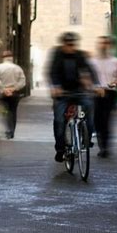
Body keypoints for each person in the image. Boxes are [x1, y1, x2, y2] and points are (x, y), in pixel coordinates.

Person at [48, 32, 102, 162]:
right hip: (62, 92)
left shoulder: (79, 55)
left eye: (72, 44)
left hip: (78, 90)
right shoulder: (57, 55)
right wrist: (55, 87)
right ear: (63, 44)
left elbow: (89, 70)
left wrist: (96, 85)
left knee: (89, 107)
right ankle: (60, 149)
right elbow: (52, 72)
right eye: (68, 44)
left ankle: (86, 139)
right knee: (59, 120)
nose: (70, 47)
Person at [89, 36, 117, 158]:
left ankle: (105, 147)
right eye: (101, 44)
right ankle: (101, 144)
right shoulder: (92, 62)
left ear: (109, 46)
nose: (103, 46)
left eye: (106, 44)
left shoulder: (115, 61)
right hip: (96, 93)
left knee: (106, 119)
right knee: (97, 120)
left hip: (110, 93)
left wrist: (116, 83)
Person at [0, 50, 26, 139]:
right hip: (14, 94)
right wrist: (14, 88)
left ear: (3, 58)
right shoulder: (18, 68)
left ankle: (2, 130)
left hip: (2, 93)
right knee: (12, 112)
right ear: (12, 58)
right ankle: (11, 132)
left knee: (2, 112)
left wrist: (4, 89)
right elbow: (23, 82)